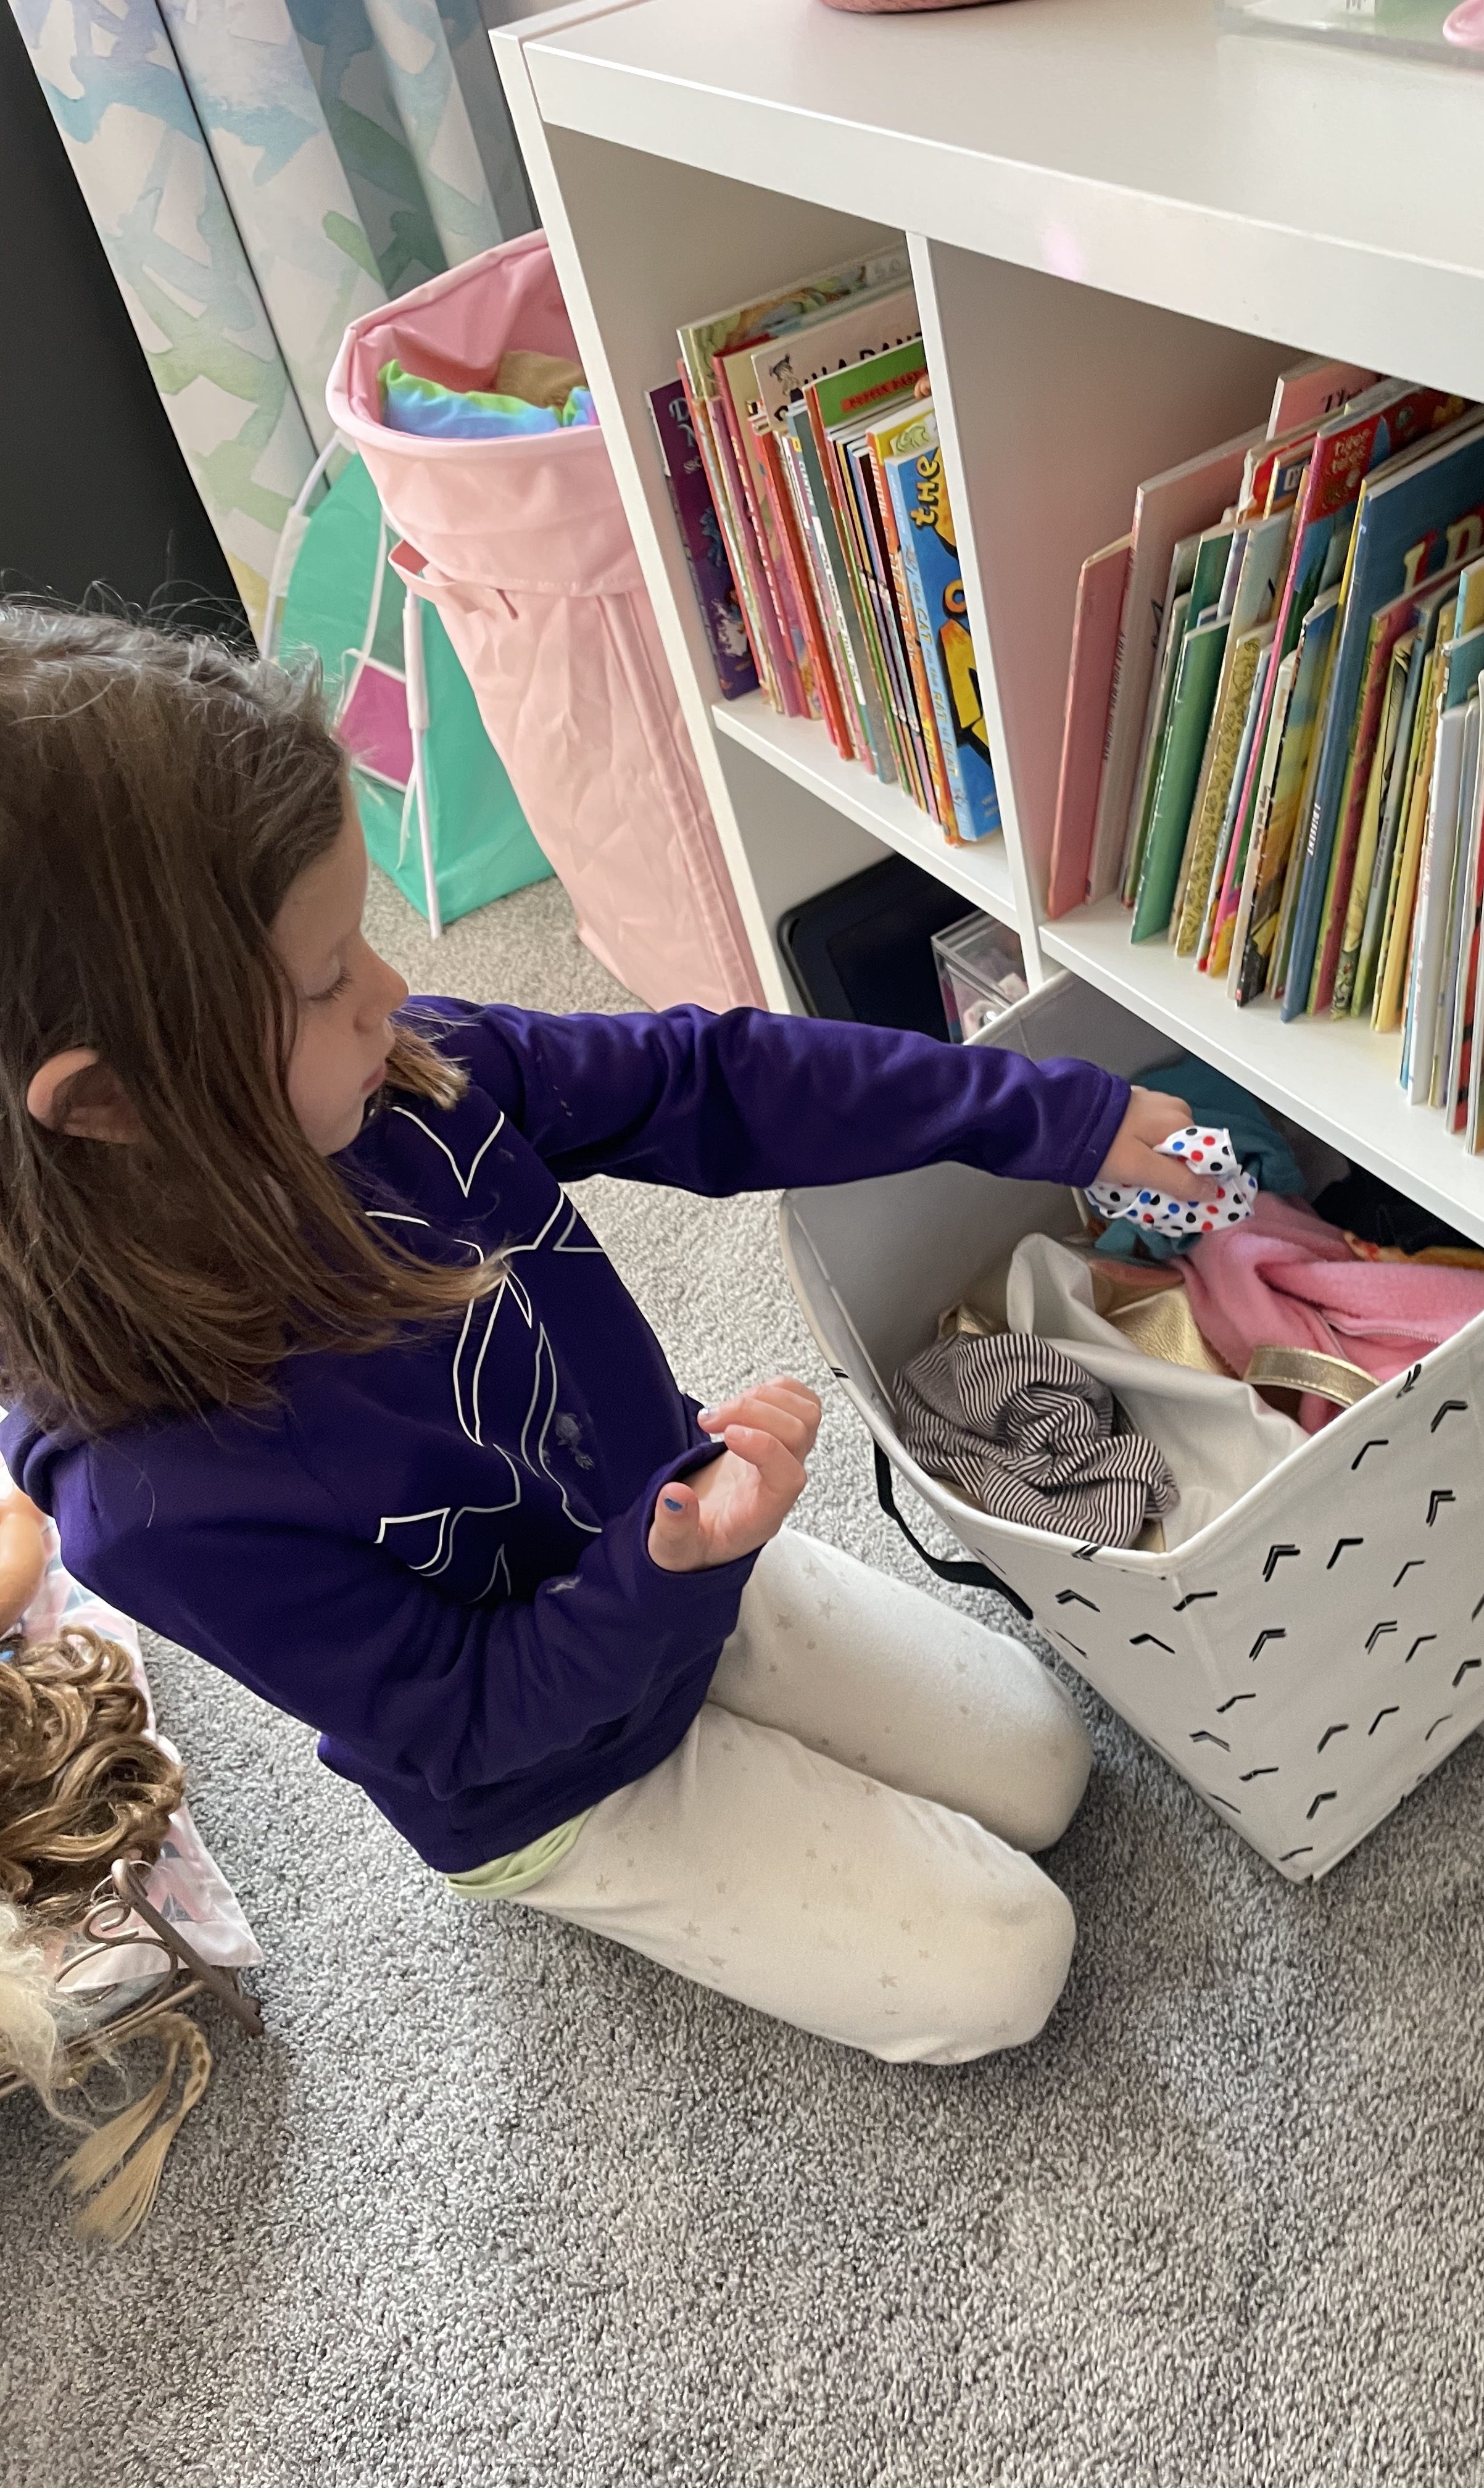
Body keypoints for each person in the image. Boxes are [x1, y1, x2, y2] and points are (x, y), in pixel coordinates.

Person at [0, 610, 1219, 2064]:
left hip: (671, 1551)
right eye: (327, 983)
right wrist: (666, 1569)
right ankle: (598, 1848)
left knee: (1045, 1764)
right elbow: (456, 1718)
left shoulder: (404, 1078)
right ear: (111, 1103)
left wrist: (1057, 1115)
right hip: (546, 1774)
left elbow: (712, 1080)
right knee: (1009, 1965)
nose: (387, 995)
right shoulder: (146, 1497)